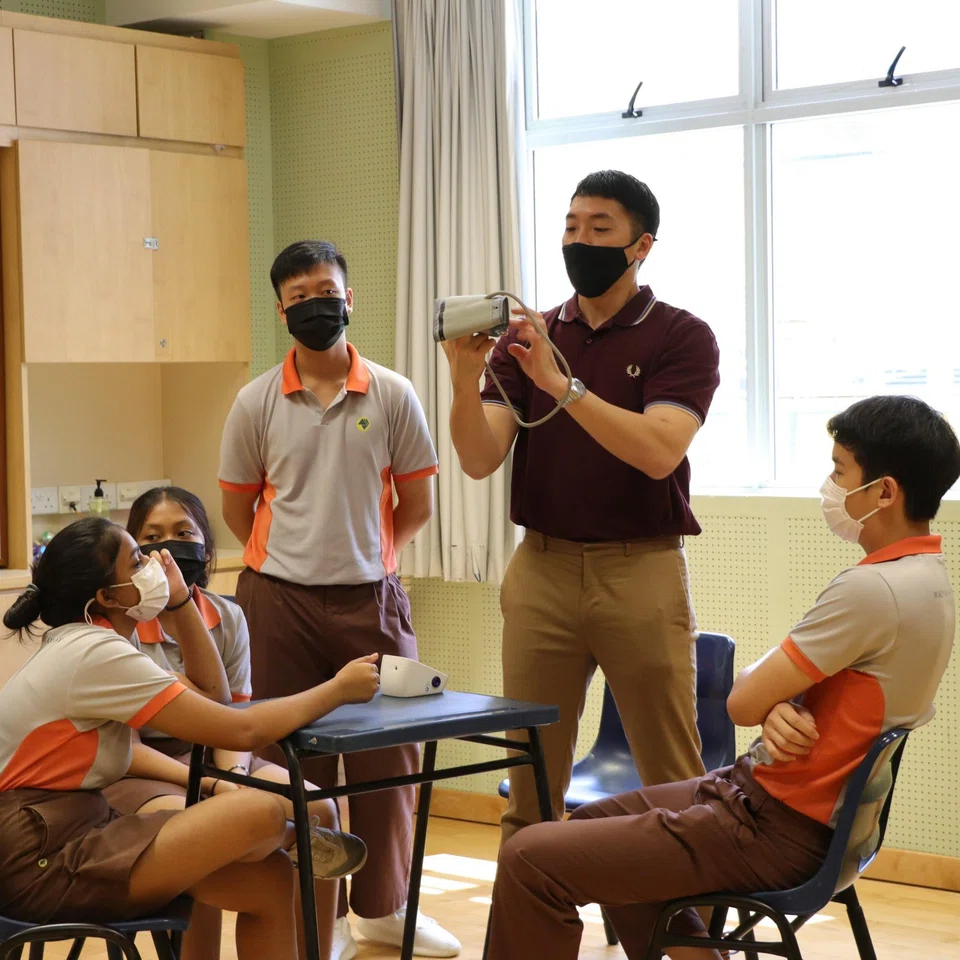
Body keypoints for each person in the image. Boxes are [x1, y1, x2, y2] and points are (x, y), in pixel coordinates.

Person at [485, 395, 960, 960]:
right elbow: (800, 697)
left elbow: (741, 702)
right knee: (591, 822)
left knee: (530, 857)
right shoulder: (930, 580)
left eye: (840, 472)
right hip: (783, 806)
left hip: (773, 826)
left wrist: (770, 700)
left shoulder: (871, 589)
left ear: (884, 492)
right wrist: (781, 703)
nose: (830, 486)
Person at [442, 169, 721, 841]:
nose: (580, 241)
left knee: (671, 780)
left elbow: (659, 451)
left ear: (641, 246)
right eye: (571, 226)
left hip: (640, 568)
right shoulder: (528, 337)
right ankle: (531, 904)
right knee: (531, 781)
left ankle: (682, 908)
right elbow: (479, 458)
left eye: (600, 228)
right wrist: (462, 379)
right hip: (541, 568)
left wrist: (561, 386)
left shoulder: (680, 335)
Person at [219, 240, 459, 960]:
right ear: (281, 311)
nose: (314, 305)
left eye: (325, 292)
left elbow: (416, 503)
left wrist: (368, 558)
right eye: (298, 297)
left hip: (371, 601)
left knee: (391, 758)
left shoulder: (392, 393)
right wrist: (294, 560)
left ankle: (383, 910)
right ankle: (304, 915)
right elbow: (237, 508)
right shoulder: (256, 400)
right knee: (286, 759)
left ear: (349, 299)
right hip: (276, 603)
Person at [0, 517, 381, 960]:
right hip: (42, 857)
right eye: (137, 560)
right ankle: (298, 839)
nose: (154, 565)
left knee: (269, 879)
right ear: (107, 597)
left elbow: (215, 696)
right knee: (259, 810)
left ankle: (291, 840)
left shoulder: (93, 644)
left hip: (83, 830)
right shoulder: (94, 653)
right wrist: (337, 690)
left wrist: (180, 602)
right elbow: (242, 728)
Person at [102, 486, 361, 960]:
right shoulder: (119, 626)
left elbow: (233, 717)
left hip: (219, 750)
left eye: (184, 533)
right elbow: (127, 748)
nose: (168, 549)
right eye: (152, 538)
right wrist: (212, 786)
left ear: (206, 548)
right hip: (142, 768)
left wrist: (234, 776)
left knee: (318, 809)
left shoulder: (228, 616)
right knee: (206, 827)